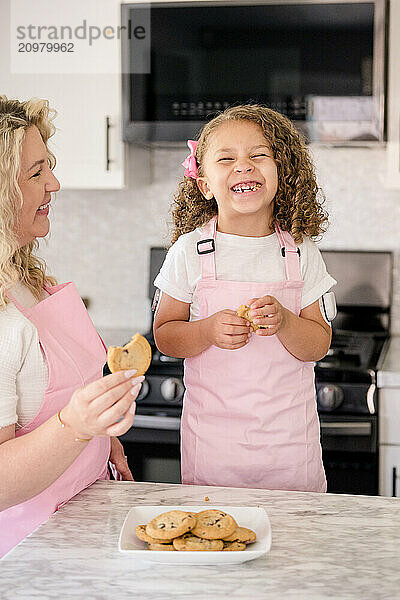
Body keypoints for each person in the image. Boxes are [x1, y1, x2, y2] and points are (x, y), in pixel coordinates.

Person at [153, 104, 336, 492]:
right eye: (226, 159)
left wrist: (286, 322)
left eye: (258, 155)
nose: (244, 166)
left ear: (280, 172)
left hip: (289, 449)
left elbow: (318, 344)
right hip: (215, 449)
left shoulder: (302, 252)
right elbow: (166, 335)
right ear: (204, 182)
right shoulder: (188, 252)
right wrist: (206, 331)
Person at [0, 96, 143, 558]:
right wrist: (76, 427)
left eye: (50, 167)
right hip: (26, 554)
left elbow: (66, 391)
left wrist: (103, 437)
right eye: (36, 173)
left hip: (83, 526)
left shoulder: (26, 279)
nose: (55, 183)